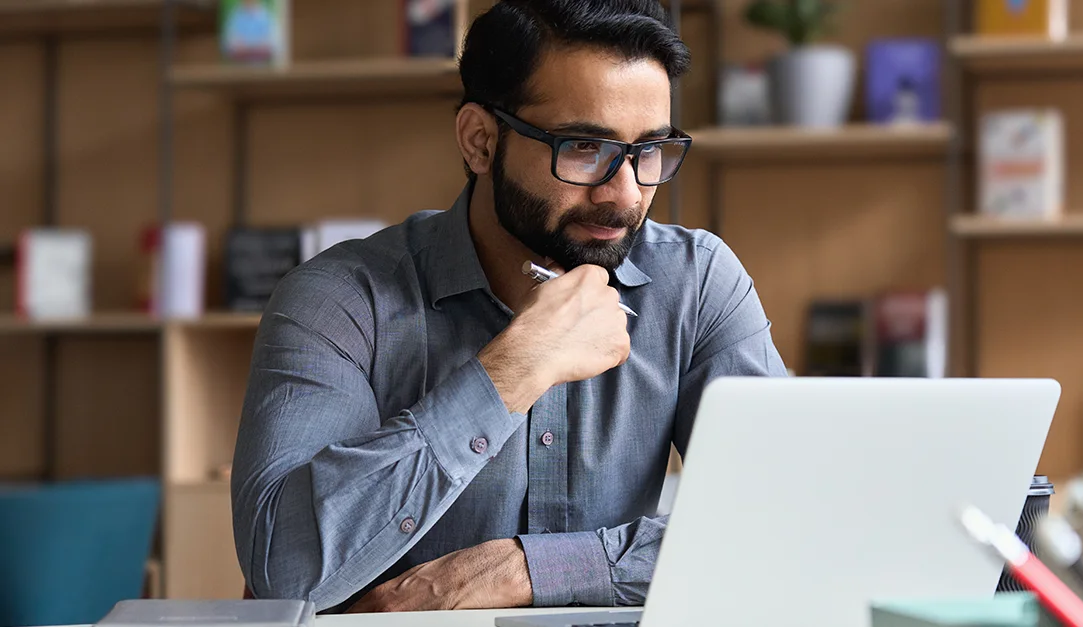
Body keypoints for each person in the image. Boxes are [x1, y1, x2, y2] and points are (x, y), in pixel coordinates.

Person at [230, 0, 788, 615]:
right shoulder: (339, 298)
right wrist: (511, 371)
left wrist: (532, 568)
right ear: (479, 141)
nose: (625, 195)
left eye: (649, 151)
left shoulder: (698, 282)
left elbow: (788, 516)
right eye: (582, 147)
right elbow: (285, 567)